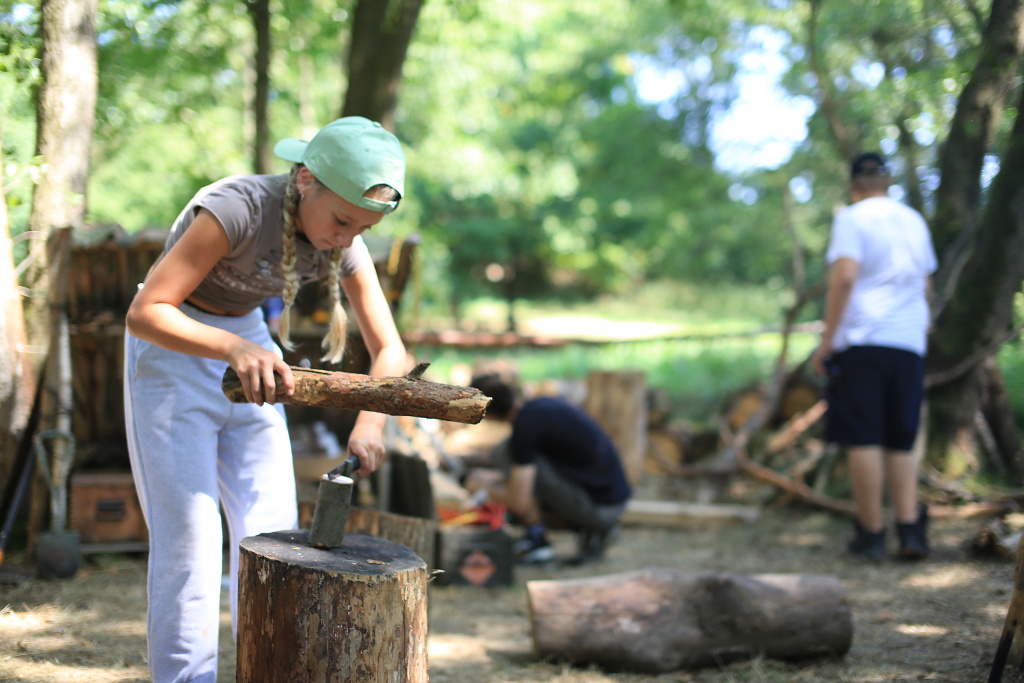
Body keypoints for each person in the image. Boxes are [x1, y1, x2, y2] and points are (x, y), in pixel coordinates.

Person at [123, 117, 410, 682]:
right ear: (306, 179)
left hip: (246, 340)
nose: (349, 239)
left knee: (273, 539)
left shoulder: (341, 240)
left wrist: (370, 424)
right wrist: (232, 348)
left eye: (363, 229)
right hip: (177, 342)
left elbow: (390, 349)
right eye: (343, 221)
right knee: (191, 546)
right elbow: (146, 312)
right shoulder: (236, 208)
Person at [810, 151, 937, 562]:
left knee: (863, 437)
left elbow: (845, 277)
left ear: (853, 186)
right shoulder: (914, 220)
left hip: (864, 339)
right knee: (901, 439)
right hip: (908, 343)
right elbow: (926, 287)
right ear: (887, 182)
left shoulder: (852, 218)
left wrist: (828, 340)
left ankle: (871, 533)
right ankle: (909, 528)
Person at [468, 373, 632, 566]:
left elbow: (519, 502)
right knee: (510, 459)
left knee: (504, 452)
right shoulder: (541, 406)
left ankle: (537, 543)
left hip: (600, 509)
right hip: (613, 501)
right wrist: (495, 479)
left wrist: (483, 488)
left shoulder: (524, 428)